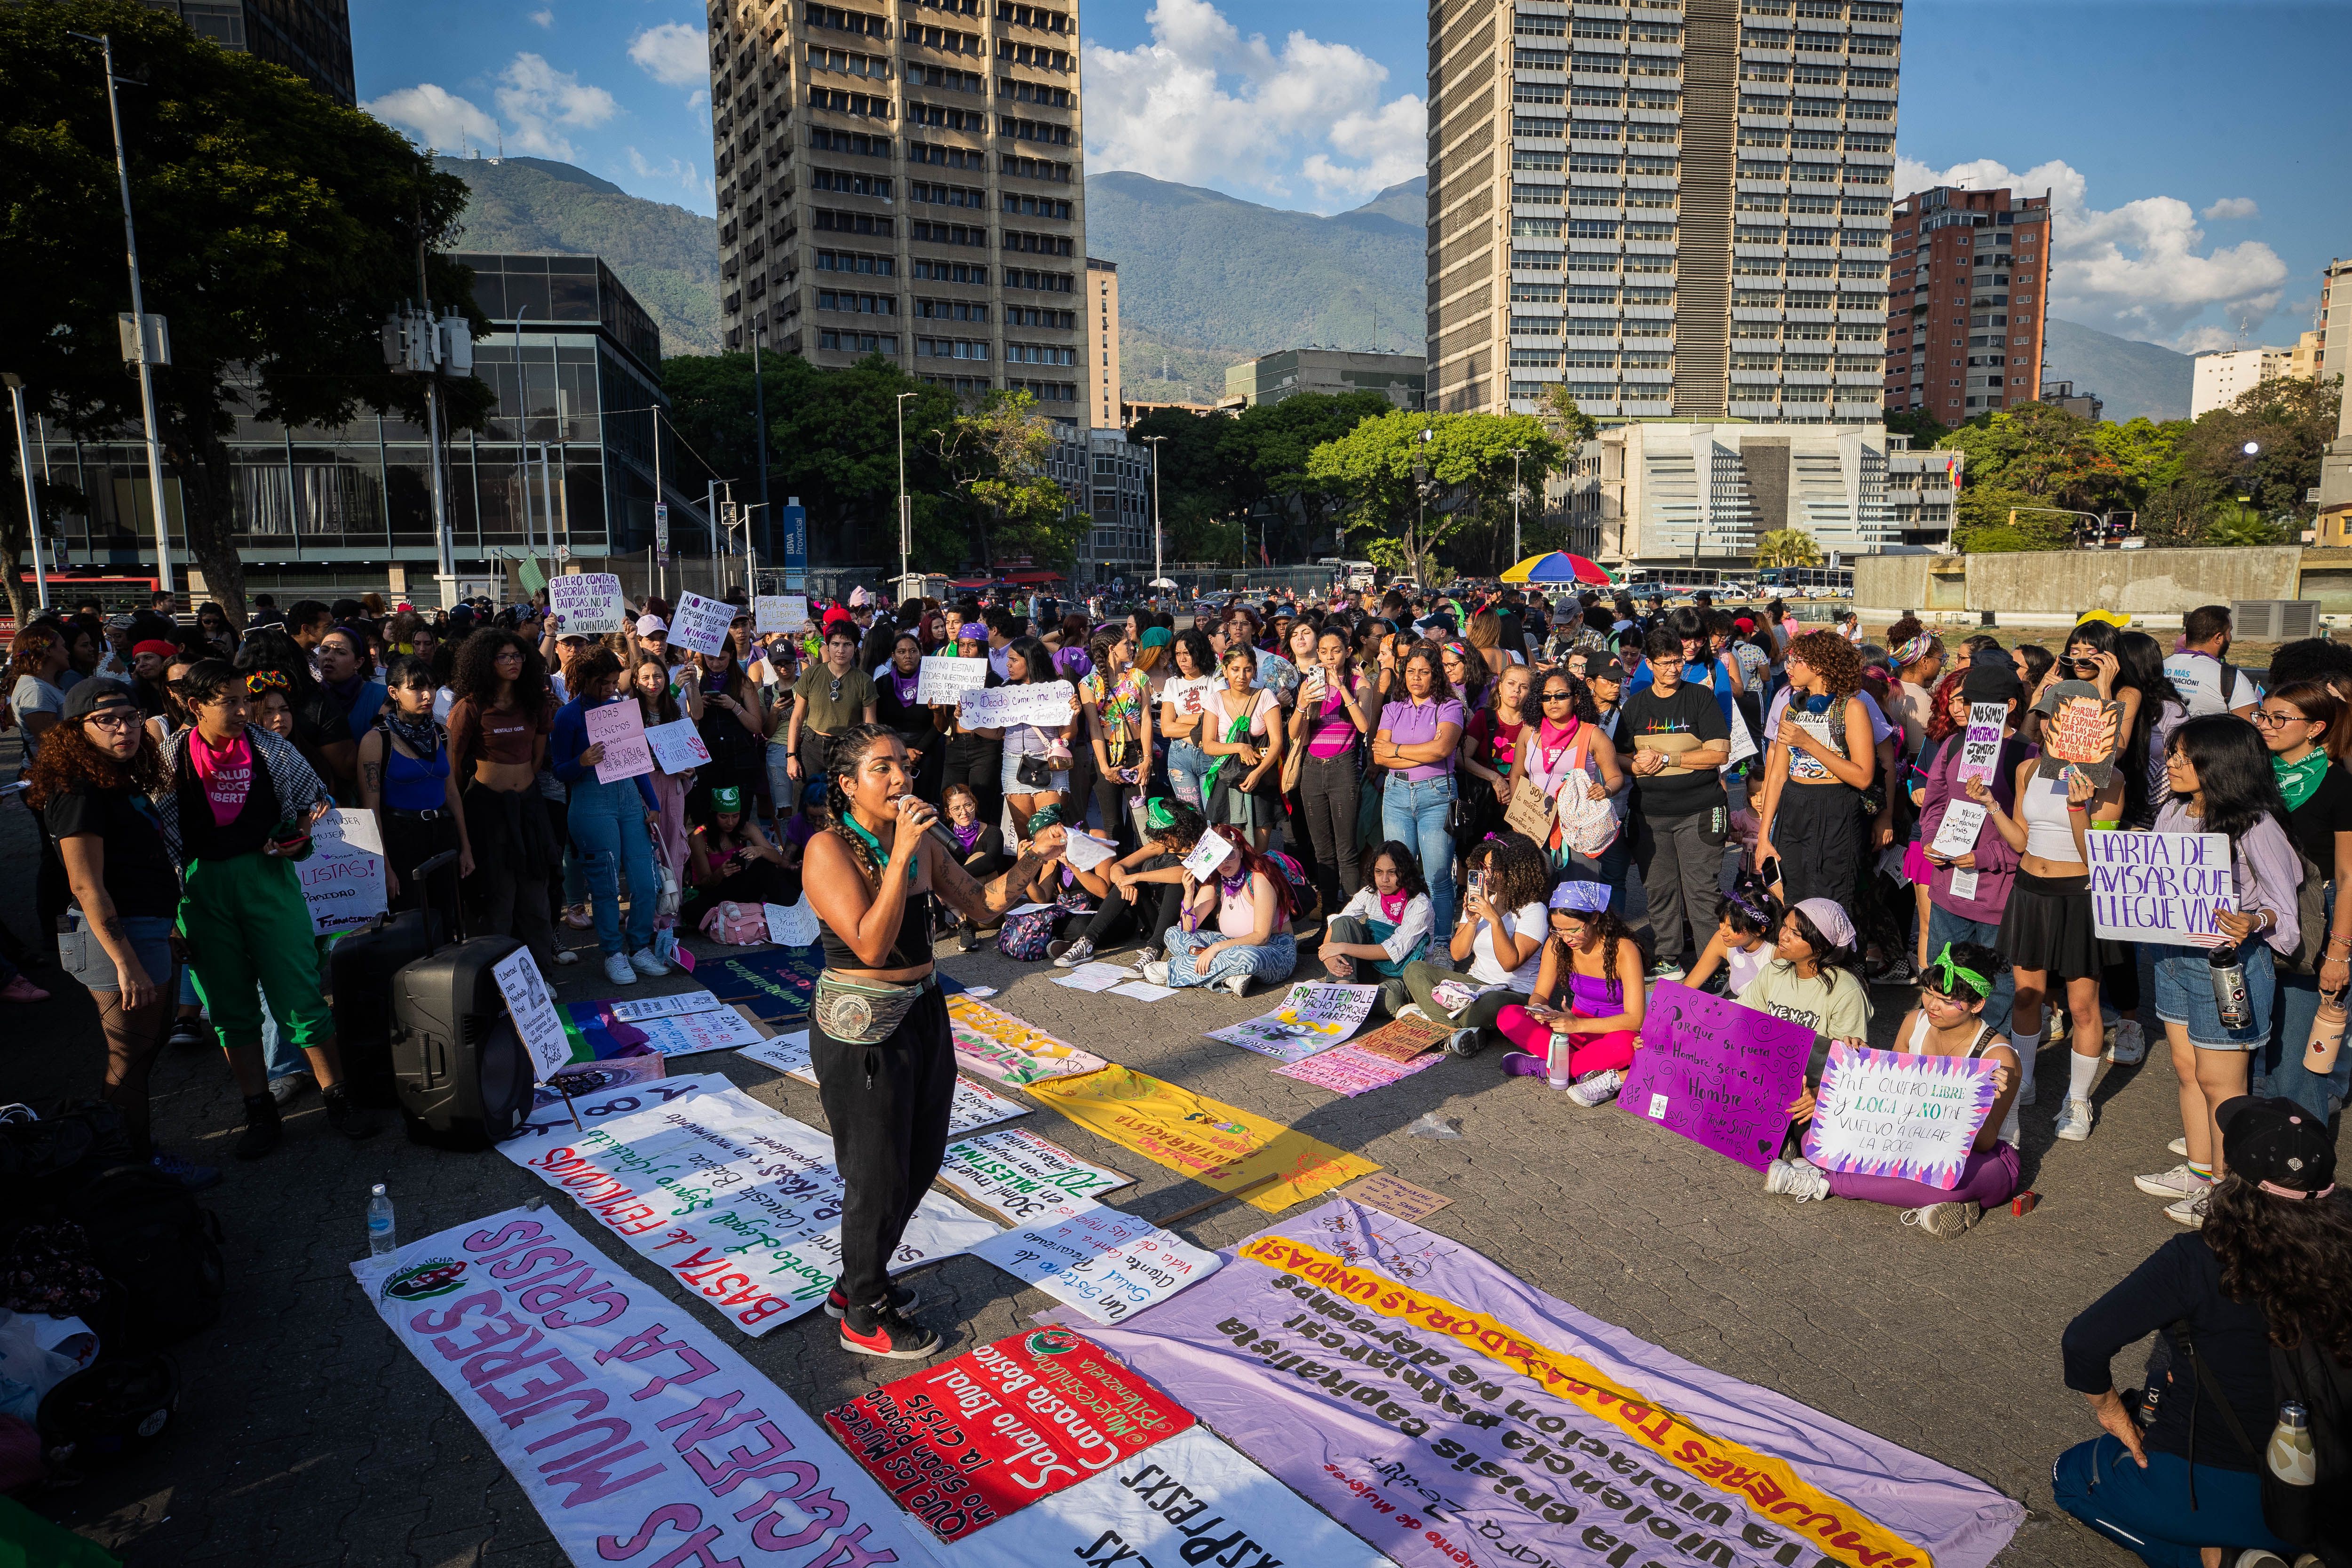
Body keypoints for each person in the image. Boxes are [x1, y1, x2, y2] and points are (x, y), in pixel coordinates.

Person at [800, 724, 1064, 1356]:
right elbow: (869, 941)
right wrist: (900, 857)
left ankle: (857, 1280)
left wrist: (1031, 859)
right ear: (847, 785)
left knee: (921, 1158)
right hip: (862, 1025)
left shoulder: (915, 839)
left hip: (924, 1008)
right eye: (882, 769)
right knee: (877, 1172)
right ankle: (863, 1311)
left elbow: (978, 904)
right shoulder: (826, 850)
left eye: (903, 766)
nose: (900, 779)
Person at [2053, 1097, 2346, 1568]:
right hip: (2328, 1484)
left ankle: (2223, 1561)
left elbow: (2082, 1342)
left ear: (2230, 1174)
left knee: (2069, 1478)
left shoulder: (2195, 1258)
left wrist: (2112, 1414)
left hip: (2210, 1480)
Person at [151, 661, 377, 1157]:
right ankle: (259, 1110)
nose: (242, 710)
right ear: (194, 707)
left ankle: (338, 1098)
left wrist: (295, 841)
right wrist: (169, 915)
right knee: (230, 1010)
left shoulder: (271, 747)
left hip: (269, 883)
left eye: (242, 699)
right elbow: (154, 837)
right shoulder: (167, 756)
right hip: (201, 890)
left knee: (300, 995)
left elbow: (310, 807)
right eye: (227, 702)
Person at [29, 681, 214, 1186]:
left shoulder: (116, 776)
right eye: (106, 720)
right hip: (114, 937)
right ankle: (132, 1163)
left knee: (142, 1052)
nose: (124, 728)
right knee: (130, 1059)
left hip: (144, 928)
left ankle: (125, 1155)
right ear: (74, 731)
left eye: (131, 717)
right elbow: (85, 886)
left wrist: (168, 924)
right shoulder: (77, 790)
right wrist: (126, 962)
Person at [2137, 718, 2306, 1226]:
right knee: (2187, 1069)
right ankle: (2197, 1168)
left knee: (2222, 1083)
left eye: (2184, 756)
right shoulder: (2170, 808)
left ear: (2221, 763)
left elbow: (2284, 912)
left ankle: (2225, 1190)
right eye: (2171, 753)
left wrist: (2252, 920)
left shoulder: (2255, 824)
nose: (2170, 763)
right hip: (2171, 957)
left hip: (2226, 965)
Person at [1764, 941, 2023, 1237]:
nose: (1932, 1006)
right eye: (1928, 993)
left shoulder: (1999, 1057)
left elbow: (1984, 1143)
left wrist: (1978, 1099)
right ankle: (1949, 1204)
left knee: (1951, 1175)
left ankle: (1824, 1182)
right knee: (1816, 1138)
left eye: (1947, 1000)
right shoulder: (1915, 1023)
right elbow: (1892, 1098)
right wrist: (1859, 1066)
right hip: (1910, 1134)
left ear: (1977, 1005)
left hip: (1985, 1156)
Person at [2254, 679, 2352, 1123]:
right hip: (2256, 912)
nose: (2267, 726)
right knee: (2249, 1040)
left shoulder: (2338, 785)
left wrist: (2338, 952)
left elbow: (2349, 877)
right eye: (2263, 715)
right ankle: (2246, 1141)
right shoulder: (2252, 774)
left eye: (2279, 718)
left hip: (2316, 915)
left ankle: (2299, 1161)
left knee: (2295, 1049)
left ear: (2315, 728)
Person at [1917, 661, 2030, 1039]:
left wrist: (1986, 858)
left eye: (1983, 704)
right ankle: (1939, 1050)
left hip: (1998, 897)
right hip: (1949, 887)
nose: (1971, 711)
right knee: (1941, 974)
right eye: (1966, 701)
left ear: (2009, 704)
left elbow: (2029, 834)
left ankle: (1988, 1057)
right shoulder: (1953, 744)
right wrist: (1932, 839)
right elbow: (1935, 802)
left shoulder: (2026, 755)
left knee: (1996, 988)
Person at [1619, 625, 1733, 978]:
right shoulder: (1636, 705)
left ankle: (1712, 964)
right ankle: (1667, 958)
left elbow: (1720, 752)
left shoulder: (1700, 698)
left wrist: (1672, 760)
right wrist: (1635, 763)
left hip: (1700, 809)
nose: (1673, 669)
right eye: (1665, 663)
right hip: (1651, 815)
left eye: (1678, 662)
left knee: (1701, 890)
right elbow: (1619, 756)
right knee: (1660, 889)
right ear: (1649, 664)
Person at [447, 630, 562, 976]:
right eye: (503, 657)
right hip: (486, 810)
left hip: (529, 808)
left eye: (517, 656)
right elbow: (452, 768)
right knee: (498, 901)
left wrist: (520, 789)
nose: (513, 662)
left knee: (536, 901)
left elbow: (538, 756)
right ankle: (497, 981)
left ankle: (540, 976)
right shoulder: (469, 706)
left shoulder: (534, 702)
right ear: (486, 662)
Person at [551, 649, 667, 987]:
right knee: (604, 884)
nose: (609, 688)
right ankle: (613, 953)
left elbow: (637, 759)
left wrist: (652, 801)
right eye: (602, 683)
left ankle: (639, 947)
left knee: (646, 880)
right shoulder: (568, 717)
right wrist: (582, 761)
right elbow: (559, 770)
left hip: (630, 799)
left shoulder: (618, 709)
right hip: (591, 801)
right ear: (584, 679)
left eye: (613, 682)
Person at [1493, 880, 1648, 1104]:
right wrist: (1539, 1009)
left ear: (1594, 918)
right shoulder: (1557, 943)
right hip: (1571, 1031)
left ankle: (1551, 1068)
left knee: (1628, 1045)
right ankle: (1583, 1069)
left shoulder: (1624, 949)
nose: (1566, 938)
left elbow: (1634, 1020)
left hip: (1611, 1032)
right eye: (1559, 929)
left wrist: (1577, 1024)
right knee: (1508, 1016)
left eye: (1573, 929)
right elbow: (1539, 995)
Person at [1756, 629, 1877, 911]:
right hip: (1793, 807)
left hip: (1835, 807)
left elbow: (1863, 777)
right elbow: (1777, 776)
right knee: (1790, 896)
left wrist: (1808, 743)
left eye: (1797, 661)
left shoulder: (1852, 709)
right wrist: (1764, 835)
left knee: (1831, 901)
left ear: (1820, 665)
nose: (1789, 667)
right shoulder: (1791, 710)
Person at [1400, 832, 1550, 1055]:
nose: (1487, 875)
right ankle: (1456, 1031)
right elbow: (1458, 954)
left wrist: (1495, 920)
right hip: (1475, 983)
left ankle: (1436, 1016)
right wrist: (1471, 923)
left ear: (1516, 872)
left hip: (1513, 991)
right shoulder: (1481, 899)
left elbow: (1510, 963)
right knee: (1414, 971)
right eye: (1484, 867)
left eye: (1495, 869)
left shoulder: (1534, 909)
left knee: (1490, 1005)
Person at [356, 655, 472, 918]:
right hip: (401, 839)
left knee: (449, 916)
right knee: (411, 920)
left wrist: (466, 847)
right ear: (394, 693)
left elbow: (452, 792)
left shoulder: (442, 734)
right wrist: (384, 866)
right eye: (416, 688)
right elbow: (371, 809)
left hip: (442, 833)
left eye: (431, 686)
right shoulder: (377, 740)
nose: (427, 695)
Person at [1137, 822, 1299, 996]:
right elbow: (1187, 928)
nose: (1225, 862)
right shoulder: (1217, 881)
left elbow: (1261, 937)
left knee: (1246, 957)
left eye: (1230, 854)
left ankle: (1174, 970)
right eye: (1219, 857)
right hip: (1231, 944)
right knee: (1172, 934)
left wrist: (1216, 949)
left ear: (1241, 851)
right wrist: (1189, 893)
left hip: (1274, 949)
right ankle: (1229, 977)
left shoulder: (1259, 879)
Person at [1376, 643, 1467, 933]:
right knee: (1398, 872)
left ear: (1436, 675)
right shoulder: (1392, 708)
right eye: (1411, 671)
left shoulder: (1450, 706)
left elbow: (1442, 748)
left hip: (1436, 794)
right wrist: (1419, 751)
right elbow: (1379, 755)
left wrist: (1397, 750)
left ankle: (1441, 940)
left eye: (1424, 672)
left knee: (1438, 876)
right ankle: (1400, 938)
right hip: (1396, 794)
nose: (1416, 678)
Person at [1289, 624, 1374, 914]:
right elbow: (1293, 734)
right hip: (1312, 770)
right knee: (1322, 852)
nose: (1328, 658)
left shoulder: (1360, 685)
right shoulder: (1310, 686)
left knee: (1346, 851)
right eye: (1323, 652)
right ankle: (1328, 920)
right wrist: (1302, 704)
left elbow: (1364, 727)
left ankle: (1352, 921)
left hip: (1343, 768)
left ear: (1348, 652)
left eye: (1336, 651)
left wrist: (1340, 688)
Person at [1737, 896, 1874, 1059]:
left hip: (1816, 1081)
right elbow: (1744, 1019)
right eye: (1785, 927)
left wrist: (1813, 1086)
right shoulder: (1772, 971)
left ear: (1822, 944)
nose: (1784, 937)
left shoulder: (1846, 991)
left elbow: (1844, 1060)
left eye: (1796, 933)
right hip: (1766, 1066)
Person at [1319, 841, 1436, 1014]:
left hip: (1400, 975)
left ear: (1405, 873)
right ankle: (1343, 991)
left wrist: (1340, 947)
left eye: (1392, 873)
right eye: (1379, 872)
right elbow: (1338, 922)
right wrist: (1328, 955)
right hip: (1370, 967)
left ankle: (1339, 994)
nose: (1384, 880)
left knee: (1391, 1000)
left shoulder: (1420, 905)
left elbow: (1391, 951)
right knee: (1345, 923)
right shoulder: (1370, 892)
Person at [1200, 644, 1284, 851]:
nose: (1242, 676)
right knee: (1227, 852)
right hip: (1226, 781)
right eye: (1235, 670)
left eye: (1248, 669)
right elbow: (1209, 746)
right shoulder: (1216, 700)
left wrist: (1257, 773)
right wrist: (1240, 747)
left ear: (1254, 670)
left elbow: (1277, 743)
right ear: (1225, 670)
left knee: (1259, 854)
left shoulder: (1265, 697)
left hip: (1261, 781)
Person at [1078, 626, 1152, 853]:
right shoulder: (1089, 683)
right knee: (1113, 824)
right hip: (1107, 755)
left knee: (1141, 819)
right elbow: (1094, 727)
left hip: (1136, 752)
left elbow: (1147, 718)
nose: (1132, 647)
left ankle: (1145, 878)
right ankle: (1118, 877)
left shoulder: (1139, 677)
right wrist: (1104, 767)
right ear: (1112, 649)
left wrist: (1148, 758)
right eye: (1127, 644)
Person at [994, 635, 1080, 827]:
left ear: (1031, 661)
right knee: (1024, 834)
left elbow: (1068, 733)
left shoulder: (1057, 690)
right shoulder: (1005, 690)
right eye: (1008, 659)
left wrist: (1073, 715)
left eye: (1014, 660)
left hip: (1049, 762)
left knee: (1050, 832)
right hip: (1013, 764)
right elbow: (996, 733)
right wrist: (965, 717)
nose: (1008, 664)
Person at [688, 634, 772, 822]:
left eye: (722, 658)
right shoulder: (697, 681)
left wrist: (735, 706)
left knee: (738, 817)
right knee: (708, 816)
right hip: (708, 759)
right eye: (710, 659)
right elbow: (693, 720)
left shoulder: (743, 683)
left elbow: (757, 726)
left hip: (739, 759)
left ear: (732, 656)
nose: (716, 664)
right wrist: (698, 700)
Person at [686, 785, 797, 917]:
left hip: (739, 889)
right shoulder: (699, 836)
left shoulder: (745, 828)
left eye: (735, 816)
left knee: (764, 865)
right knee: (693, 910)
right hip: (713, 894)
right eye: (724, 817)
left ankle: (792, 911)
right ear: (714, 816)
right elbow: (704, 883)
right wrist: (720, 873)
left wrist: (760, 851)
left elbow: (778, 860)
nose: (730, 822)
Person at [1682, 874, 1782, 998]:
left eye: (1733, 928)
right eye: (1722, 922)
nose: (1723, 931)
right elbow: (1687, 988)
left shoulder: (1778, 954)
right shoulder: (1721, 940)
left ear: (1759, 931)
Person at [2165, 603, 2262, 720]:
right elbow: (2250, 730)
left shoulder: (2158, 667)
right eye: (2229, 632)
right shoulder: (2231, 678)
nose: (2231, 637)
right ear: (2218, 638)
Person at [1159, 628, 1221, 810]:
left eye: (1187, 653)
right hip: (1180, 755)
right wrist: (1203, 723)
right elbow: (1167, 729)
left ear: (1200, 652)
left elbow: (1219, 717)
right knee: (1191, 816)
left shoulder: (1216, 678)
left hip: (1210, 753)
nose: (1182, 659)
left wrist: (1182, 719)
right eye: (1178, 653)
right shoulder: (1172, 683)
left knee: (1213, 815)